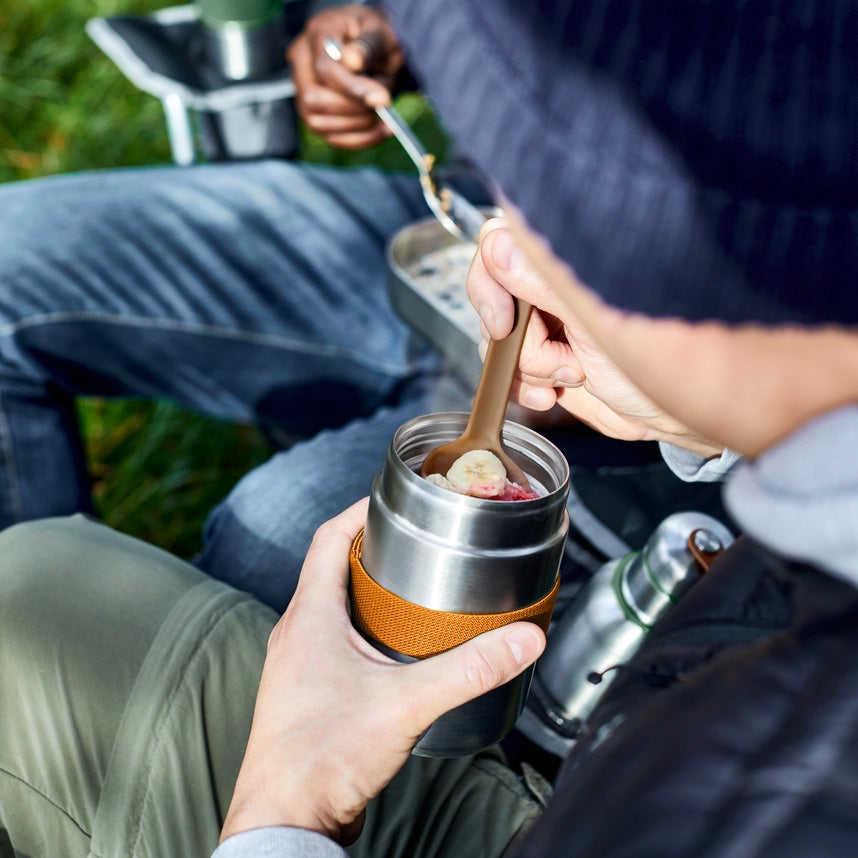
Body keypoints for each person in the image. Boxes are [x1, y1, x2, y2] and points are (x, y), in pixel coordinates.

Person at [3, 1, 858, 857]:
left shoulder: (767, 780)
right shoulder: (544, 226)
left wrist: (289, 808)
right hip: (485, 247)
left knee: (262, 549)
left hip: (648, 371)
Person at [0, 2, 475, 613]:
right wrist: (388, 27)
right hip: (457, 229)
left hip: (606, 365)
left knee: (268, 547)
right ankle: (37, 666)